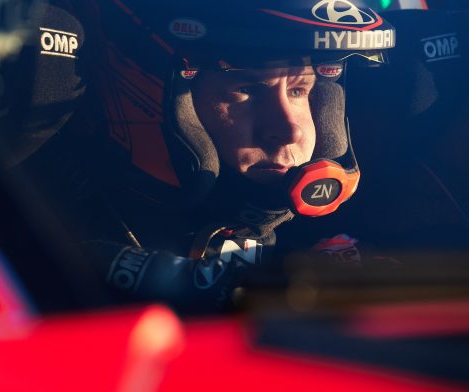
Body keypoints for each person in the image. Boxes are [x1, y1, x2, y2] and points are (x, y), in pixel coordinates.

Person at [21, 0, 400, 313]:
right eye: (247, 89)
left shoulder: (358, 233)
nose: (289, 130)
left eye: (299, 90)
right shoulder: (29, 231)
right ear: (160, 92)